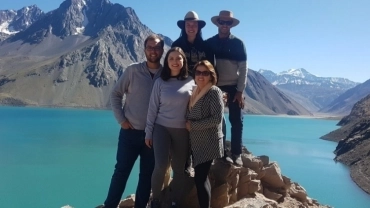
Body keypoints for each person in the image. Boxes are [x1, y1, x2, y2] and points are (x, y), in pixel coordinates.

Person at [99, 34, 164, 208]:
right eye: (150, 47)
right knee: (121, 172)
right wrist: (122, 120)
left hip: (153, 136)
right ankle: (110, 205)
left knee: (146, 176)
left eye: (157, 47)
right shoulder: (132, 70)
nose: (153, 51)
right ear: (144, 50)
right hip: (130, 133)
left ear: (162, 50)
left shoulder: (165, 74)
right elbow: (115, 94)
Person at [145, 47, 195, 208]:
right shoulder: (160, 82)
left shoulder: (191, 82)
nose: (175, 62)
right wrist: (148, 132)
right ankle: (156, 199)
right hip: (161, 128)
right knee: (160, 165)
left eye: (178, 58)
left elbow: (198, 104)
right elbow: (152, 108)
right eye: (171, 58)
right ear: (167, 62)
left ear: (183, 61)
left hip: (182, 130)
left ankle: (175, 201)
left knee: (179, 169)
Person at [207, 10, 248, 166]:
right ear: (218, 23)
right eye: (222, 22)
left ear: (231, 25)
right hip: (216, 87)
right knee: (218, 121)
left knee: (237, 120)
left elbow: (244, 68)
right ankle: (222, 152)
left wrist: (240, 90)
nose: (224, 25)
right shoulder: (210, 43)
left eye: (228, 22)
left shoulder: (238, 44)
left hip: (233, 87)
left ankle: (236, 153)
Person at [186, 60, 224, 208]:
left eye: (205, 73)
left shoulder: (214, 91)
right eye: (198, 72)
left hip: (209, 142)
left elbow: (216, 118)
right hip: (197, 143)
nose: (201, 76)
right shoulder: (195, 90)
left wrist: (193, 126)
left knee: (200, 178)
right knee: (202, 178)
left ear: (211, 75)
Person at [172, 11, 214, 78]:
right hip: (181, 82)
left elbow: (211, 68)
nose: (191, 28)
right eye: (188, 25)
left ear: (198, 27)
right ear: (184, 27)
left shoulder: (206, 46)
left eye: (194, 25)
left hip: (202, 82)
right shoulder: (176, 45)